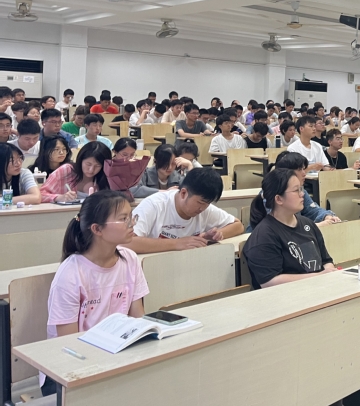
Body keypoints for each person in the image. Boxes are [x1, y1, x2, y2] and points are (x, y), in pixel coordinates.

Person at [242, 169, 360, 406]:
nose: (303, 194)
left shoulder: (307, 225)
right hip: (291, 315)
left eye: (301, 189)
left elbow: (326, 260)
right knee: (347, 350)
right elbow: (269, 282)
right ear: (278, 199)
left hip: (323, 303)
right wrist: (319, 277)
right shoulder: (263, 236)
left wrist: (329, 272)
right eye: (296, 190)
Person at [41, 191, 148, 397]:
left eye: (131, 216)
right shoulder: (71, 273)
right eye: (123, 219)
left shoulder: (130, 259)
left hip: (115, 356)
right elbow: (68, 345)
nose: (132, 224)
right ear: (97, 229)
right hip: (68, 370)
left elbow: (138, 319)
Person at [129, 168, 243, 253]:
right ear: (183, 193)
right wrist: (177, 243)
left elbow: (238, 225)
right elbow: (128, 242)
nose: (203, 208)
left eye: (208, 203)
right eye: (200, 203)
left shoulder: (205, 208)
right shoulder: (154, 205)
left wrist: (217, 235)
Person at [249, 152, 339, 228]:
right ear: (287, 172)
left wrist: (327, 216)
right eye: (300, 169)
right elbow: (281, 229)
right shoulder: (271, 193)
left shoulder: (301, 191)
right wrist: (315, 227)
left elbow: (314, 210)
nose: (304, 173)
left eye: (304, 169)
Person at [40, 142, 112, 203]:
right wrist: (59, 198)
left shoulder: (107, 176)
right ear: (81, 160)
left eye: (97, 166)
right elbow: (41, 194)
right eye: (88, 164)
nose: (91, 170)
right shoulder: (66, 170)